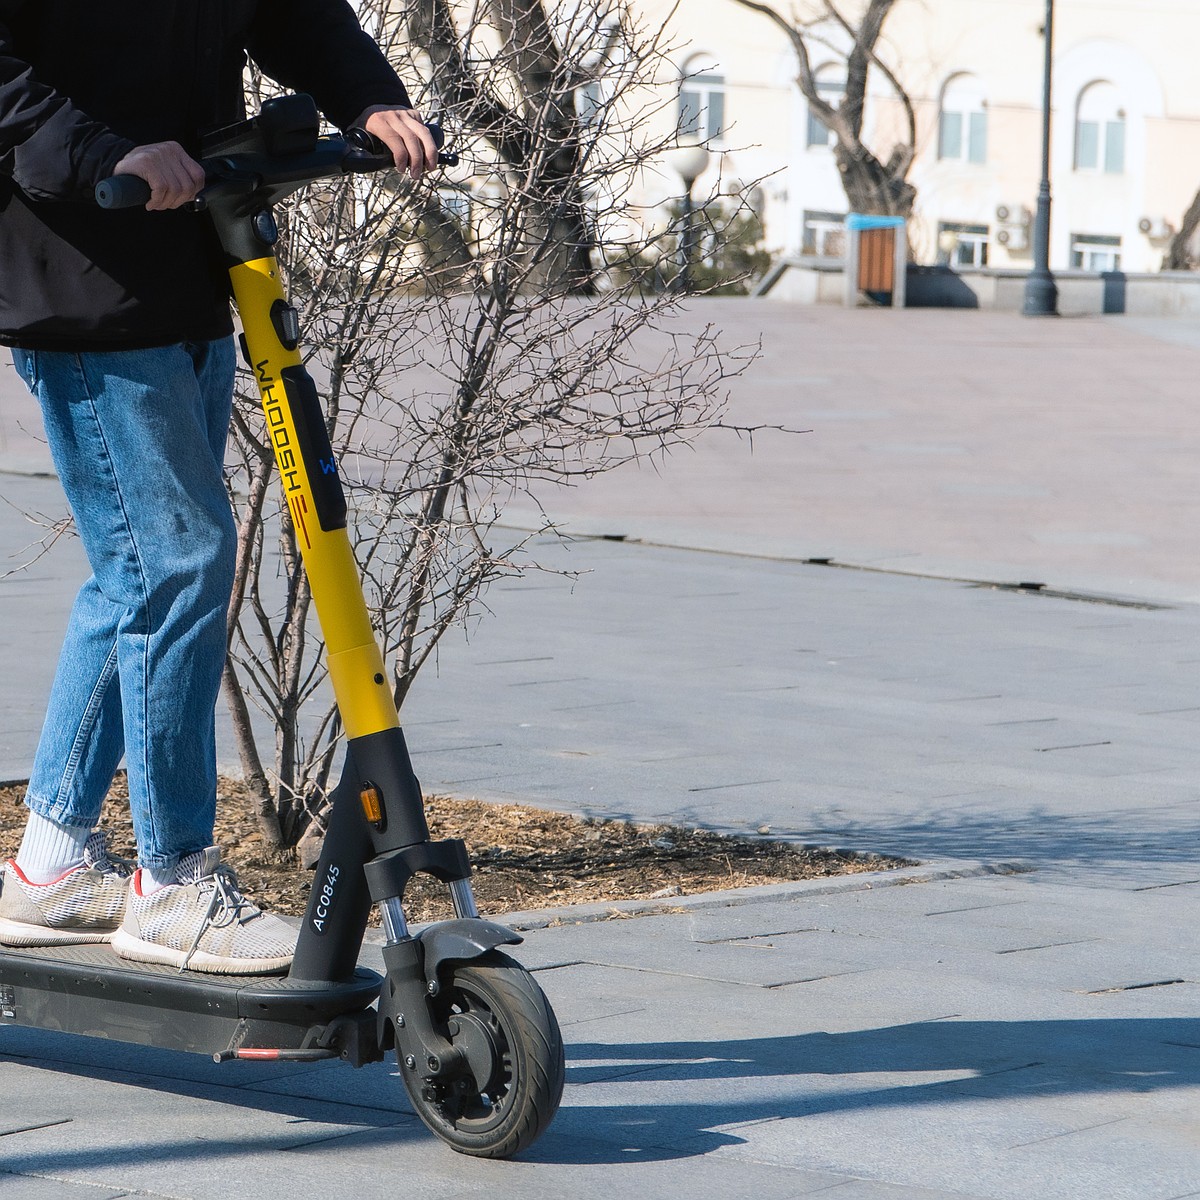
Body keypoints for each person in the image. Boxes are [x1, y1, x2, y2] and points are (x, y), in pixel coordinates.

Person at [0, 1, 436, 973]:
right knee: (177, 563)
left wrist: (369, 99)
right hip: (82, 271)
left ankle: (50, 863)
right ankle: (173, 884)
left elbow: (294, 14)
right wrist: (101, 152)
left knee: (140, 577)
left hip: (191, 260)